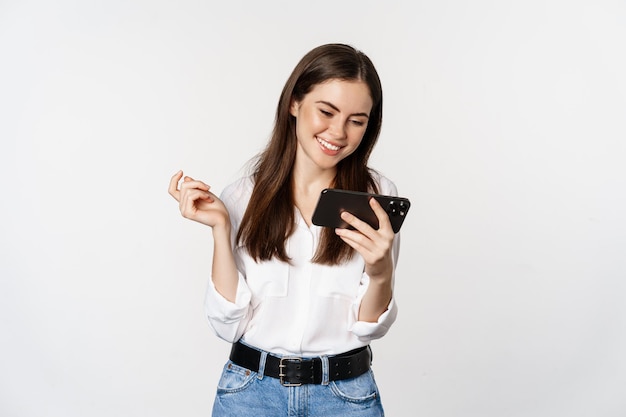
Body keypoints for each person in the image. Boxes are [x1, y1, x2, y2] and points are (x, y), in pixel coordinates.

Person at [168, 43, 402, 417]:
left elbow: (369, 329)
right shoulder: (243, 195)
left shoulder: (377, 197)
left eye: (357, 120)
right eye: (326, 111)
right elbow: (228, 324)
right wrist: (220, 229)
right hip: (250, 394)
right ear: (294, 102)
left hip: (345, 398)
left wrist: (380, 272)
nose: (338, 132)